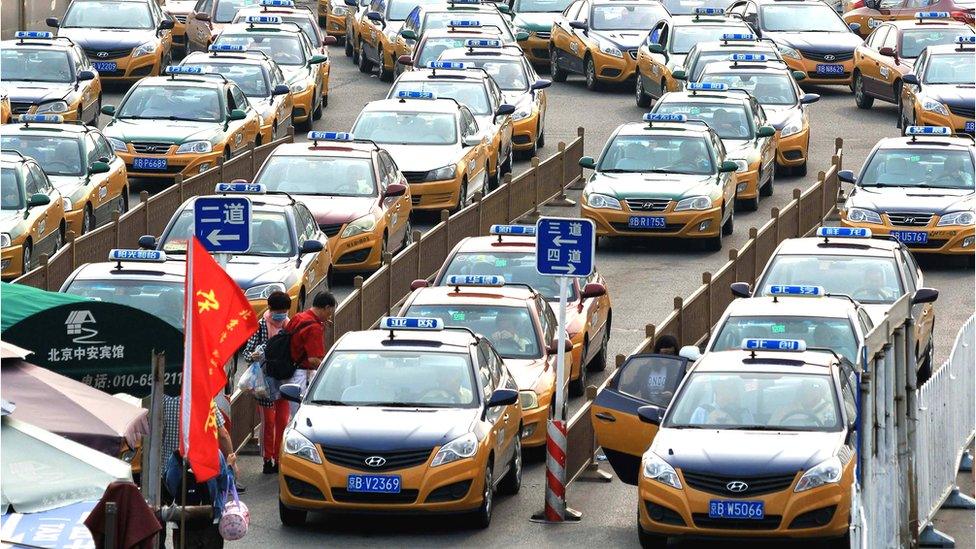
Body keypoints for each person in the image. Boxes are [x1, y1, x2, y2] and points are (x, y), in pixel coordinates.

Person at [243, 291, 293, 474]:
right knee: (268, 421)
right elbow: (247, 353)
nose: (281, 314)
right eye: (278, 310)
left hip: (284, 379)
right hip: (264, 382)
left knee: (282, 420)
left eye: (284, 310)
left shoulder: (289, 325)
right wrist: (254, 355)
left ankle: (280, 458)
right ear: (270, 309)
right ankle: (267, 458)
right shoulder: (261, 326)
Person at [285, 291, 337, 414]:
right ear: (327, 307)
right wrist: (329, 372)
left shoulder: (299, 317)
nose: (330, 316)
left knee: (293, 415)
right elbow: (313, 360)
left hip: (290, 370)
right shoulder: (314, 328)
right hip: (302, 376)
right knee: (301, 415)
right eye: (330, 312)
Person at [690, 378, 755, 425]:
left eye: (732, 389)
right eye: (724, 388)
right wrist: (709, 424)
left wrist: (734, 424)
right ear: (717, 391)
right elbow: (691, 435)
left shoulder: (744, 413)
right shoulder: (702, 411)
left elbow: (752, 436)